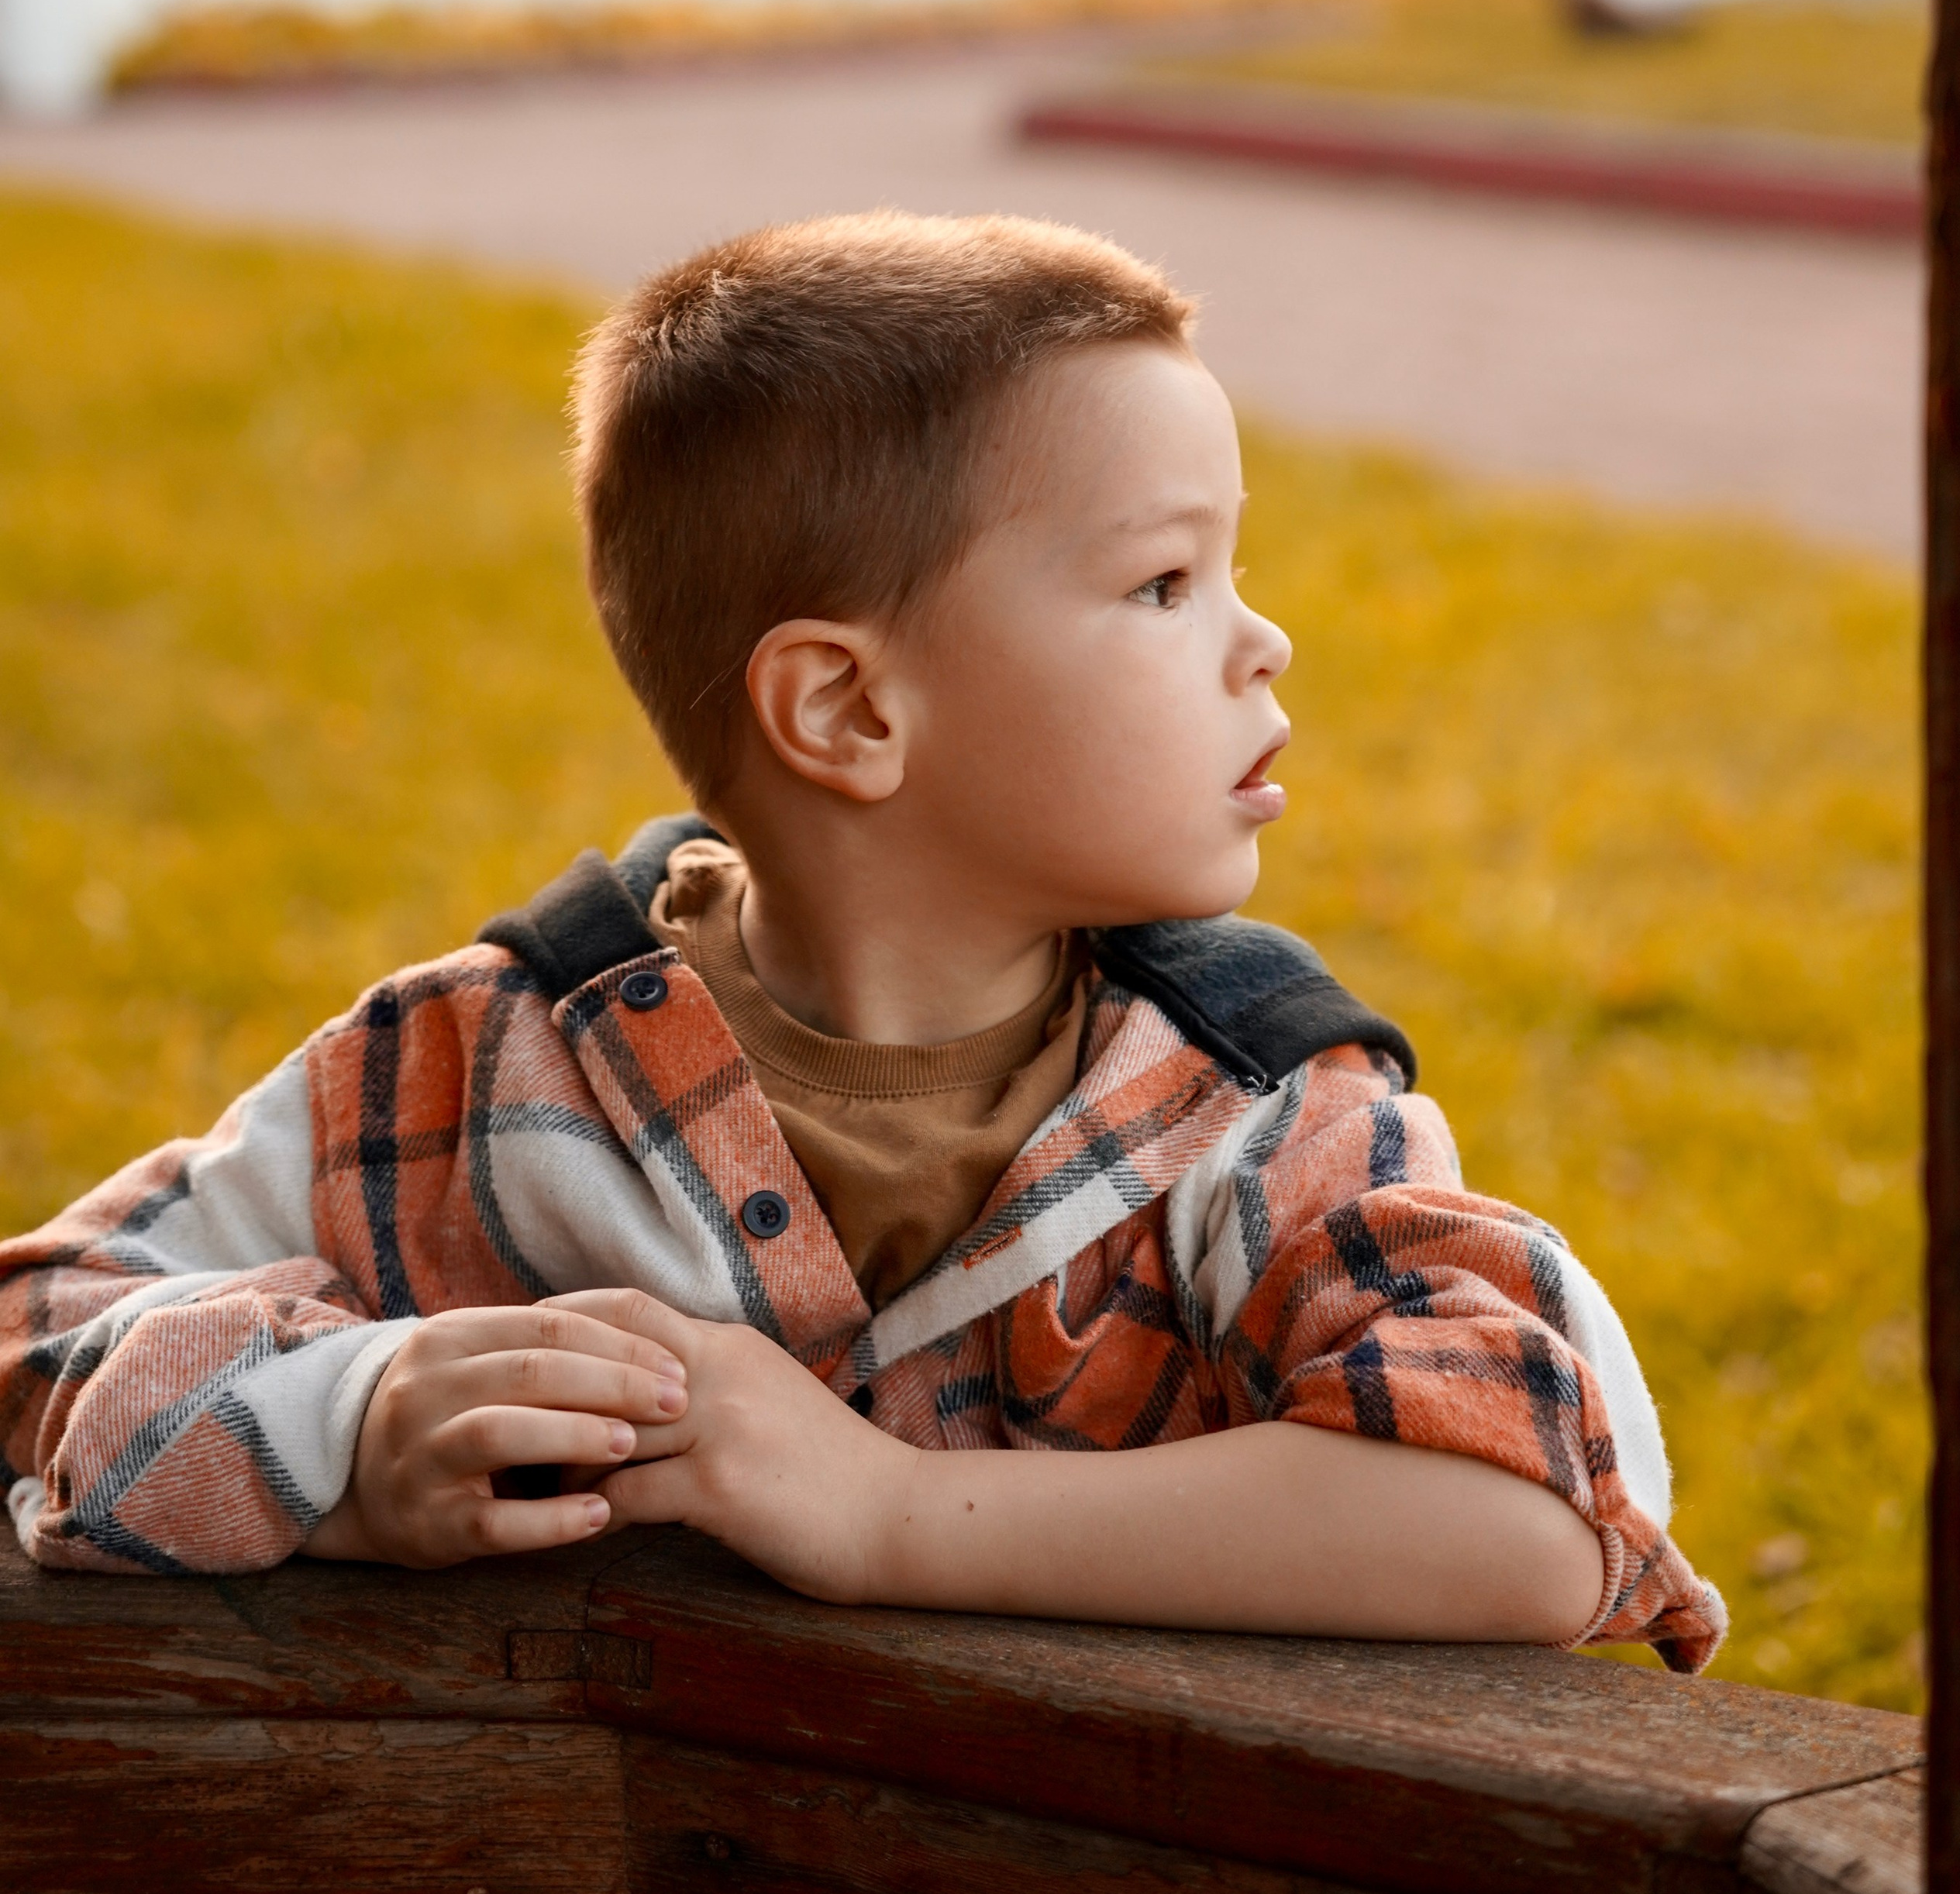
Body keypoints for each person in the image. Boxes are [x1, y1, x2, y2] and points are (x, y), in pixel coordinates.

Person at [0, 212, 1724, 1666]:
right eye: (1160, 585)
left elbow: (1524, 1511)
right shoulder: (471, 1077)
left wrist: (885, 1511)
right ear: (843, 708)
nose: (1262, 640)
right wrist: (352, 1432)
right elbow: (36, 1337)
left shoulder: (1254, 1116)